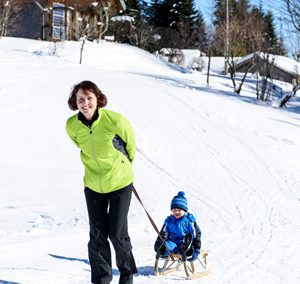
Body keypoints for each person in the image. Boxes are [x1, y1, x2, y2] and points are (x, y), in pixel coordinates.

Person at [66, 80, 137, 284]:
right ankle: (101, 280)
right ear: (75, 102)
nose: (85, 103)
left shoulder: (115, 121)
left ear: (98, 99)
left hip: (120, 183)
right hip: (93, 185)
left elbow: (130, 145)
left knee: (117, 234)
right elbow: (80, 144)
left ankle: (126, 276)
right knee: (97, 237)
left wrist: (124, 167)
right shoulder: (71, 125)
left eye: (89, 98)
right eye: (81, 99)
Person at [154, 191, 201, 261]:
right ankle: (162, 249)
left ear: (184, 211)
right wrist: (160, 240)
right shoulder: (169, 221)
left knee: (187, 245)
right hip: (174, 244)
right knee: (166, 244)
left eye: (179, 210)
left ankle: (187, 247)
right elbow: (163, 233)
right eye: (174, 210)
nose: (176, 212)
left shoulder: (189, 221)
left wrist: (197, 250)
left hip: (185, 244)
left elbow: (197, 235)